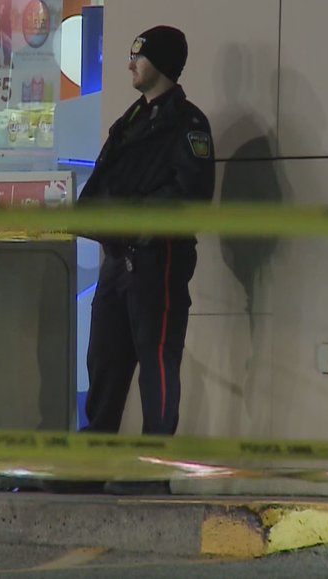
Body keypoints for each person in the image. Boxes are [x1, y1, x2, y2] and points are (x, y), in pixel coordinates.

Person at [77, 25, 215, 439]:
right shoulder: (132, 119)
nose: (131, 63)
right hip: (118, 261)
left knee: (156, 364)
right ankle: (93, 464)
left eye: (140, 55)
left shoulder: (188, 124)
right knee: (104, 360)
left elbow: (192, 195)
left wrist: (136, 219)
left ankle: (154, 467)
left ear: (163, 63)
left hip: (158, 260)